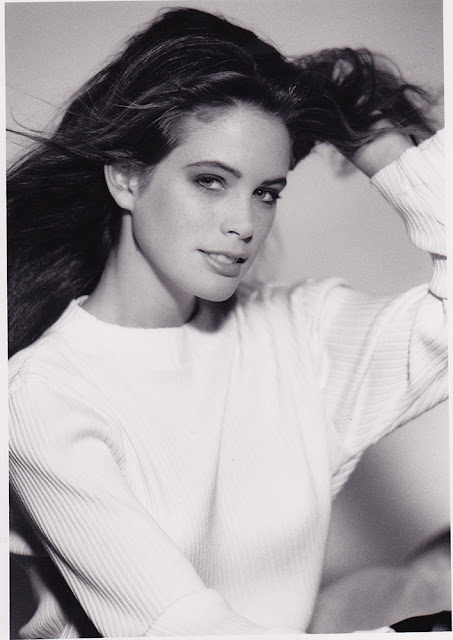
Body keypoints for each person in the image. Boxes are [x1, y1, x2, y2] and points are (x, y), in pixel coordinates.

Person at [8, 6, 446, 637]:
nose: (244, 223)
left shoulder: (299, 332)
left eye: (266, 192)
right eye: (211, 181)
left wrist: (376, 138)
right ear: (126, 177)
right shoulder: (44, 397)